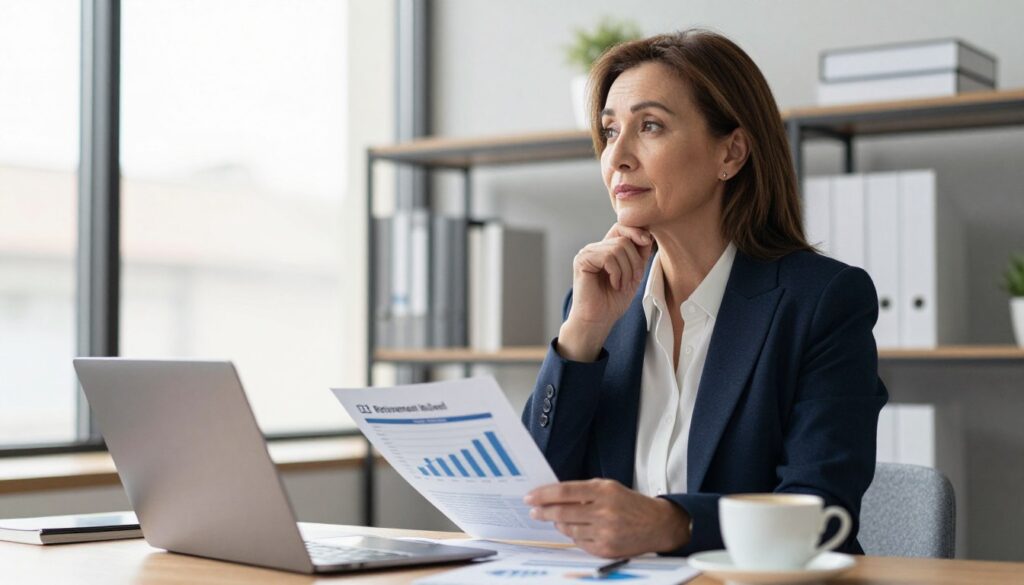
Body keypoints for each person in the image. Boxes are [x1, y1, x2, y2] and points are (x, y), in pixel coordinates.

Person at [521, 29, 888, 558]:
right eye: (609, 131)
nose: (617, 156)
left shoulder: (823, 302)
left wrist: (673, 523)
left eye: (650, 126)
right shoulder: (598, 309)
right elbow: (536, 500)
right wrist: (579, 338)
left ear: (731, 153)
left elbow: (818, 506)